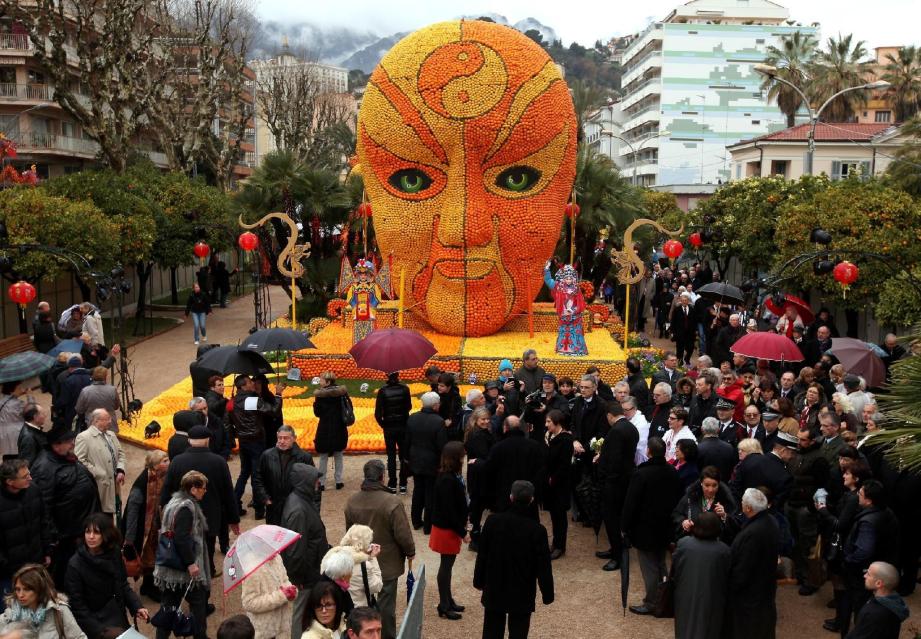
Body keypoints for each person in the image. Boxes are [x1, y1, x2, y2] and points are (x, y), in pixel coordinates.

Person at [344, 460, 415, 639]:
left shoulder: (352, 501)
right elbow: (402, 533)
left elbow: (350, 534)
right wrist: (410, 551)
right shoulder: (392, 501)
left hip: (360, 563)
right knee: (385, 608)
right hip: (387, 563)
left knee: (361, 605)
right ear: (382, 477)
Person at [474, 481, 553, 639]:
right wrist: (547, 593)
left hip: (496, 585)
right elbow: (543, 566)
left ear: (511, 497)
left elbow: (482, 555)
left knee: (491, 631)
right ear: (531, 500)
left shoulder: (492, 522)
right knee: (519, 632)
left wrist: (478, 580)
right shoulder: (537, 530)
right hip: (522, 589)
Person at [160, 425, 240, 576]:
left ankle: (190, 569)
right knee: (208, 546)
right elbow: (228, 493)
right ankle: (209, 569)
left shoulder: (177, 461)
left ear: (189, 440)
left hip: (184, 514)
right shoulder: (218, 462)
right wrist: (233, 519)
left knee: (186, 542)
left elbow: (167, 490)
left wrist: (165, 513)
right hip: (211, 514)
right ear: (208, 440)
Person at [28, 427, 99, 595]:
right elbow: (43, 506)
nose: (73, 443)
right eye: (69, 441)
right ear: (56, 445)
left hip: (80, 528)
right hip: (65, 536)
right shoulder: (44, 467)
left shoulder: (64, 457)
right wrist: (54, 536)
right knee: (65, 574)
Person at [621, 437, 683, 615]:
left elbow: (631, 503)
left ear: (648, 451)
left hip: (646, 528)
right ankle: (663, 598)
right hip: (665, 526)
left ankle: (652, 602)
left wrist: (625, 526)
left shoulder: (642, 473)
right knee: (661, 564)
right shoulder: (672, 471)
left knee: (649, 567)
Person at [66, 513, 148, 637]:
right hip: (96, 626)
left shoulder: (114, 553)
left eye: (96, 532)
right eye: (88, 532)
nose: (91, 537)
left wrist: (136, 606)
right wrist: (101, 631)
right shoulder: (75, 564)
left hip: (117, 617)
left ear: (106, 534)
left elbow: (122, 583)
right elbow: (78, 607)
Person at [155, 471, 211, 639]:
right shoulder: (187, 508)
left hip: (169, 571)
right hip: (183, 571)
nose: (205, 491)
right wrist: (191, 563)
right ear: (193, 489)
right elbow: (181, 538)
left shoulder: (175, 501)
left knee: (169, 608)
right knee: (199, 606)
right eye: (203, 488)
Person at [839, 480, 900, 636]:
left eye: (860, 494)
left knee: (861, 609)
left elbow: (863, 552)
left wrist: (848, 560)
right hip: (882, 566)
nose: (857, 496)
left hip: (864, 573)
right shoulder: (887, 512)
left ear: (869, 500)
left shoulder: (868, 522)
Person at [280, 463, 328, 639]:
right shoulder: (299, 509)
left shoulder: (301, 500)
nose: (318, 484)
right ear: (305, 482)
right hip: (305, 576)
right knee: (300, 615)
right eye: (315, 480)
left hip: (309, 569)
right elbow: (294, 550)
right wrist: (298, 578)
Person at [725, 489, 780, 639]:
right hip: (765, 591)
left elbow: (743, 569)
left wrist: (730, 588)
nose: (741, 503)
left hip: (750, 597)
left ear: (748, 508)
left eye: (742, 501)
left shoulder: (753, 533)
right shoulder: (771, 521)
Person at [0, 461, 51, 614]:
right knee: (12, 614)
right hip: (8, 573)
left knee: (39, 609)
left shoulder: (33, 490)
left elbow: (44, 521)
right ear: (10, 482)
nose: (30, 478)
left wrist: (47, 550)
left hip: (35, 563)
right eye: (25, 476)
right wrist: (6, 566)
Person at [672, 512, 731, 639]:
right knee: (709, 629)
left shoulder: (683, 544)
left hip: (685, 594)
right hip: (712, 598)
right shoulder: (723, 550)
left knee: (684, 627)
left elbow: (675, 568)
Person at [786, 427, 830, 596]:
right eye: (798, 439)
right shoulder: (799, 453)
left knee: (809, 546)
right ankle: (802, 575)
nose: (799, 442)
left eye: (803, 440)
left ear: (812, 441)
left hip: (806, 508)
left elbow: (822, 486)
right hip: (793, 504)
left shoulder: (819, 459)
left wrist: (812, 508)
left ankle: (813, 580)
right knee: (797, 544)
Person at [231, 375, 284, 515]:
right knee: (256, 475)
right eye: (249, 382)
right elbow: (273, 411)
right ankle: (259, 509)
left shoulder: (235, 399)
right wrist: (278, 394)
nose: (252, 383)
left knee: (244, 473)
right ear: (243, 386)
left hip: (243, 441)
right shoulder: (251, 400)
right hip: (255, 441)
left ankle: (235, 503)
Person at [595, 403, 638, 571]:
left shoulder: (616, 431)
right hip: (624, 480)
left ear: (609, 415)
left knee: (612, 519)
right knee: (617, 518)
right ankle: (615, 549)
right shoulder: (630, 428)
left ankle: (617, 556)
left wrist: (605, 479)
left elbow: (614, 460)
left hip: (614, 483)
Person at [122, 450, 169, 602]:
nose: (168, 463)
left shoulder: (162, 477)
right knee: (149, 558)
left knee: (155, 556)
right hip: (145, 531)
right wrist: (129, 539)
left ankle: (148, 585)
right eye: (164, 461)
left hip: (156, 526)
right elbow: (132, 512)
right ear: (155, 466)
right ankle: (151, 587)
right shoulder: (142, 485)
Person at [429, 441, 469, 620]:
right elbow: (450, 511)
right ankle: (444, 604)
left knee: (448, 566)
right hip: (447, 529)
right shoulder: (447, 479)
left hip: (448, 527)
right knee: (446, 567)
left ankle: (448, 600)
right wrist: (463, 532)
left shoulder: (448, 475)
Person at [0, 564, 85, 639]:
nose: (20, 595)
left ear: (39, 589)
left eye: (27, 589)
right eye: (17, 589)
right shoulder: (11, 613)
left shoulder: (58, 611)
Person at [253, 425, 314, 525]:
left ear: (294, 438)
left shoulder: (304, 458)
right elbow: (258, 479)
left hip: (296, 508)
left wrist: (312, 509)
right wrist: (265, 498)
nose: (282, 441)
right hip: (273, 508)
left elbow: (312, 484)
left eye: (286, 438)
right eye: (280, 438)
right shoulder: (267, 456)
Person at [74, 409, 125, 516]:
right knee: (100, 517)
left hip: (114, 485)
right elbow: (79, 461)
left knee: (112, 515)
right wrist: (98, 472)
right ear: (97, 421)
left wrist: (120, 470)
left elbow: (120, 453)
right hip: (98, 487)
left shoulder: (111, 434)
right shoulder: (84, 437)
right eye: (107, 419)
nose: (110, 421)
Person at [405, 392, 444, 533]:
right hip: (432, 463)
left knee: (418, 491)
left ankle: (416, 521)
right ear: (435, 405)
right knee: (430, 494)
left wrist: (407, 458)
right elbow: (441, 445)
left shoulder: (412, 418)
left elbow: (406, 441)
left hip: (415, 461)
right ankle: (428, 526)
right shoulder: (438, 421)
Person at [730, 431, 797, 509]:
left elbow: (735, 488)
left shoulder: (750, 459)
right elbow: (776, 506)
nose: (793, 457)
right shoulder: (785, 477)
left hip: (741, 512)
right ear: (783, 450)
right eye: (792, 453)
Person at [845, 561, 909, 639]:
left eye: (868, 574)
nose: (864, 576)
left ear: (878, 583)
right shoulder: (894, 601)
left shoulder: (874, 614)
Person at [240, 553, 295, 639]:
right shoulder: (251, 569)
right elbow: (248, 602)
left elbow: (285, 580)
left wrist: (290, 590)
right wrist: (281, 596)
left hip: (283, 625)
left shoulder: (277, 557)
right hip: (266, 631)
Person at [543, 409, 573, 560]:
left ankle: (560, 546)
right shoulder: (550, 436)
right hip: (552, 484)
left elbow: (564, 465)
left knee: (560, 516)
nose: (546, 424)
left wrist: (552, 478)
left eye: (549, 422)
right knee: (554, 516)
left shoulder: (566, 440)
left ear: (557, 423)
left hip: (559, 485)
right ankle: (556, 543)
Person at [374, 372, 411, 494]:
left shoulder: (383, 391)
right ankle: (403, 483)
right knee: (403, 455)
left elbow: (378, 413)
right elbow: (409, 406)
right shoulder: (405, 389)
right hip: (403, 425)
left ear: (387, 376)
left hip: (389, 426)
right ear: (398, 375)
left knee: (391, 456)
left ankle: (392, 483)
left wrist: (384, 425)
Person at [464, 408, 495, 551]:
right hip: (479, 475)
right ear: (476, 420)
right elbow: (485, 455)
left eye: (488, 419)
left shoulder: (479, 432)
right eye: (483, 419)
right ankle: (475, 539)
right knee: (477, 507)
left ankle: (476, 535)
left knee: (477, 506)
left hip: (478, 473)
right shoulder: (477, 435)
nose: (486, 421)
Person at [313, 372, 349, 491]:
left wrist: (315, 403)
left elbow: (317, 413)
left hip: (325, 428)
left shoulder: (320, 395)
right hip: (339, 428)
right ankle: (338, 481)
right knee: (338, 454)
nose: (320, 382)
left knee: (323, 456)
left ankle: (322, 483)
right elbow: (349, 407)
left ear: (328, 382)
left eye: (322, 380)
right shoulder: (342, 393)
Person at [335, 526, 382, 609]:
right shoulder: (364, 566)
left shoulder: (335, 556)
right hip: (358, 610)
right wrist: (373, 558)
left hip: (340, 608)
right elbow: (377, 586)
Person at [73, 368, 120, 435]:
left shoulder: (85, 391)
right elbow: (116, 406)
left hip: (93, 425)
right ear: (105, 377)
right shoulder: (112, 390)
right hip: (110, 425)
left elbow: (79, 409)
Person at [697, 418, 736, 484]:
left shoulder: (698, 448)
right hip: (725, 487)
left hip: (705, 488)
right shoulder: (729, 447)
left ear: (702, 430)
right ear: (718, 429)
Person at [0, 383, 31, 461]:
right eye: (19, 388)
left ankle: (6, 472)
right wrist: (30, 396)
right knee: (18, 458)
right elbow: (32, 411)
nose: (21, 389)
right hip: (17, 433)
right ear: (11, 391)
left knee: (7, 456)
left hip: (4, 432)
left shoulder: (1, 402)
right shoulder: (18, 404)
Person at [670, 292, 697, 366]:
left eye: (686, 300)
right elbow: (673, 321)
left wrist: (695, 331)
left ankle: (687, 359)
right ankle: (680, 361)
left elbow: (695, 321)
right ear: (681, 301)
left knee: (690, 348)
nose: (684, 302)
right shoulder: (677, 309)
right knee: (680, 349)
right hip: (680, 333)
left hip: (690, 333)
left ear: (688, 301)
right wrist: (673, 332)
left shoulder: (692, 309)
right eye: (683, 300)